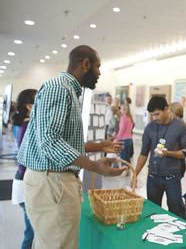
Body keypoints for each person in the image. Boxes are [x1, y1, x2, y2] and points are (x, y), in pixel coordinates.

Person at [17, 45, 126, 249]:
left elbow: (59, 142)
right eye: (98, 67)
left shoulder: (68, 91)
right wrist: (94, 167)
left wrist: (98, 146)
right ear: (86, 64)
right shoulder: (60, 88)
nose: (100, 73)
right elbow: (50, 142)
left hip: (53, 181)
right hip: (52, 183)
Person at [134, 96, 186, 219]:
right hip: (153, 177)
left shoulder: (180, 126)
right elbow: (143, 154)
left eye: (157, 114)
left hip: (172, 177)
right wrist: (135, 174)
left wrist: (168, 153)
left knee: (176, 210)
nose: (155, 118)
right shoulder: (150, 128)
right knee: (154, 213)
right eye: (152, 115)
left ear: (166, 109)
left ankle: (181, 236)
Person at [11, 89, 37, 249]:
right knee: (32, 232)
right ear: (29, 106)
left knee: (32, 230)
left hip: (24, 181)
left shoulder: (25, 123)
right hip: (25, 183)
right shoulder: (28, 125)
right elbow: (26, 157)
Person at [115, 103, 134, 170]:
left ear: (124, 110)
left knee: (123, 157)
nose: (120, 111)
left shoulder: (123, 117)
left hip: (123, 140)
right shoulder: (130, 118)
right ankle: (128, 171)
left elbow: (122, 129)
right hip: (130, 140)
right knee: (127, 157)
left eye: (121, 109)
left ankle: (124, 171)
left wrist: (116, 138)